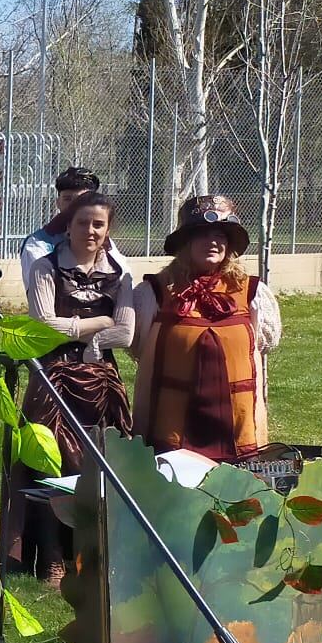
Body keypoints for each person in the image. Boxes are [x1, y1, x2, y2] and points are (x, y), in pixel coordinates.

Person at [4, 191, 133, 590]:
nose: (90, 231)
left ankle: (91, 555)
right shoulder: (46, 268)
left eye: (99, 224)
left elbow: (126, 333)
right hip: (53, 375)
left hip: (100, 382)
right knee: (49, 463)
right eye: (82, 223)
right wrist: (95, 326)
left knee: (100, 467)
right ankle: (51, 559)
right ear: (69, 225)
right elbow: (43, 324)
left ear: (108, 229)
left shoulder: (120, 275)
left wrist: (87, 337)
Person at [131, 194, 283, 462]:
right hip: (171, 427)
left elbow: (261, 348)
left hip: (237, 427)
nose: (213, 241)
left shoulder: (251, 292)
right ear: (186, 242)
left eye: (221, 235)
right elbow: (140, 348)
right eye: (202, 234)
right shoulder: (155, 292)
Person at [18, 165, 104, 292]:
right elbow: (40, 294)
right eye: (68, 199)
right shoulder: (38, 244)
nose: (74, 206)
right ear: (58, 203)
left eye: (82, 200)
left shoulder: (104, 242)